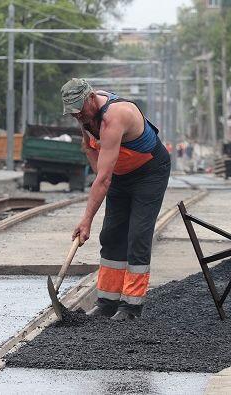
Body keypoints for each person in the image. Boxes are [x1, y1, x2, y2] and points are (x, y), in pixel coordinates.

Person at [61, 78, 170, 321]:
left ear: (91, 98)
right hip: (120, 174)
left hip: (149, 174)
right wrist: (103, 178)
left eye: (80, 111)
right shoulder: (85, 116)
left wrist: (86, 219)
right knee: (111, 235)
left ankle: (131, 307)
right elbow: (90, 149)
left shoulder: (114, 116)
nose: (77, 116)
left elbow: (103, 179)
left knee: (137, 236)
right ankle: (107, 303)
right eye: (73, 113)